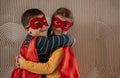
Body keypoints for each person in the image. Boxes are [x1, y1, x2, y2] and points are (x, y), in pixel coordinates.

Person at [17, 8, 80, 78]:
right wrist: (70, 40)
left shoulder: (60, 48)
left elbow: (48, 68)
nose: (59, 28)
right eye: (57, 23)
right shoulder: (42, 40)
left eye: (65, 25)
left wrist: (23, 63)